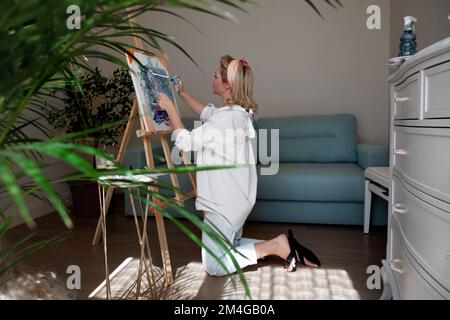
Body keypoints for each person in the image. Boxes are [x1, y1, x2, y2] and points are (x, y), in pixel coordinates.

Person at [157, 55, 321, 276]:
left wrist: (169, 107)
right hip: (237, 203)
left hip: (222, 206)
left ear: (227, 84)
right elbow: (207, 112)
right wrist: (181, 93)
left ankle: (276, 246)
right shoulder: (236, 114)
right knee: (230, 247)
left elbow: (185, 141)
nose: (212, 77)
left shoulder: (225, 121)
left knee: (214, 266)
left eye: (216, 75)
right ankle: (285, 246)